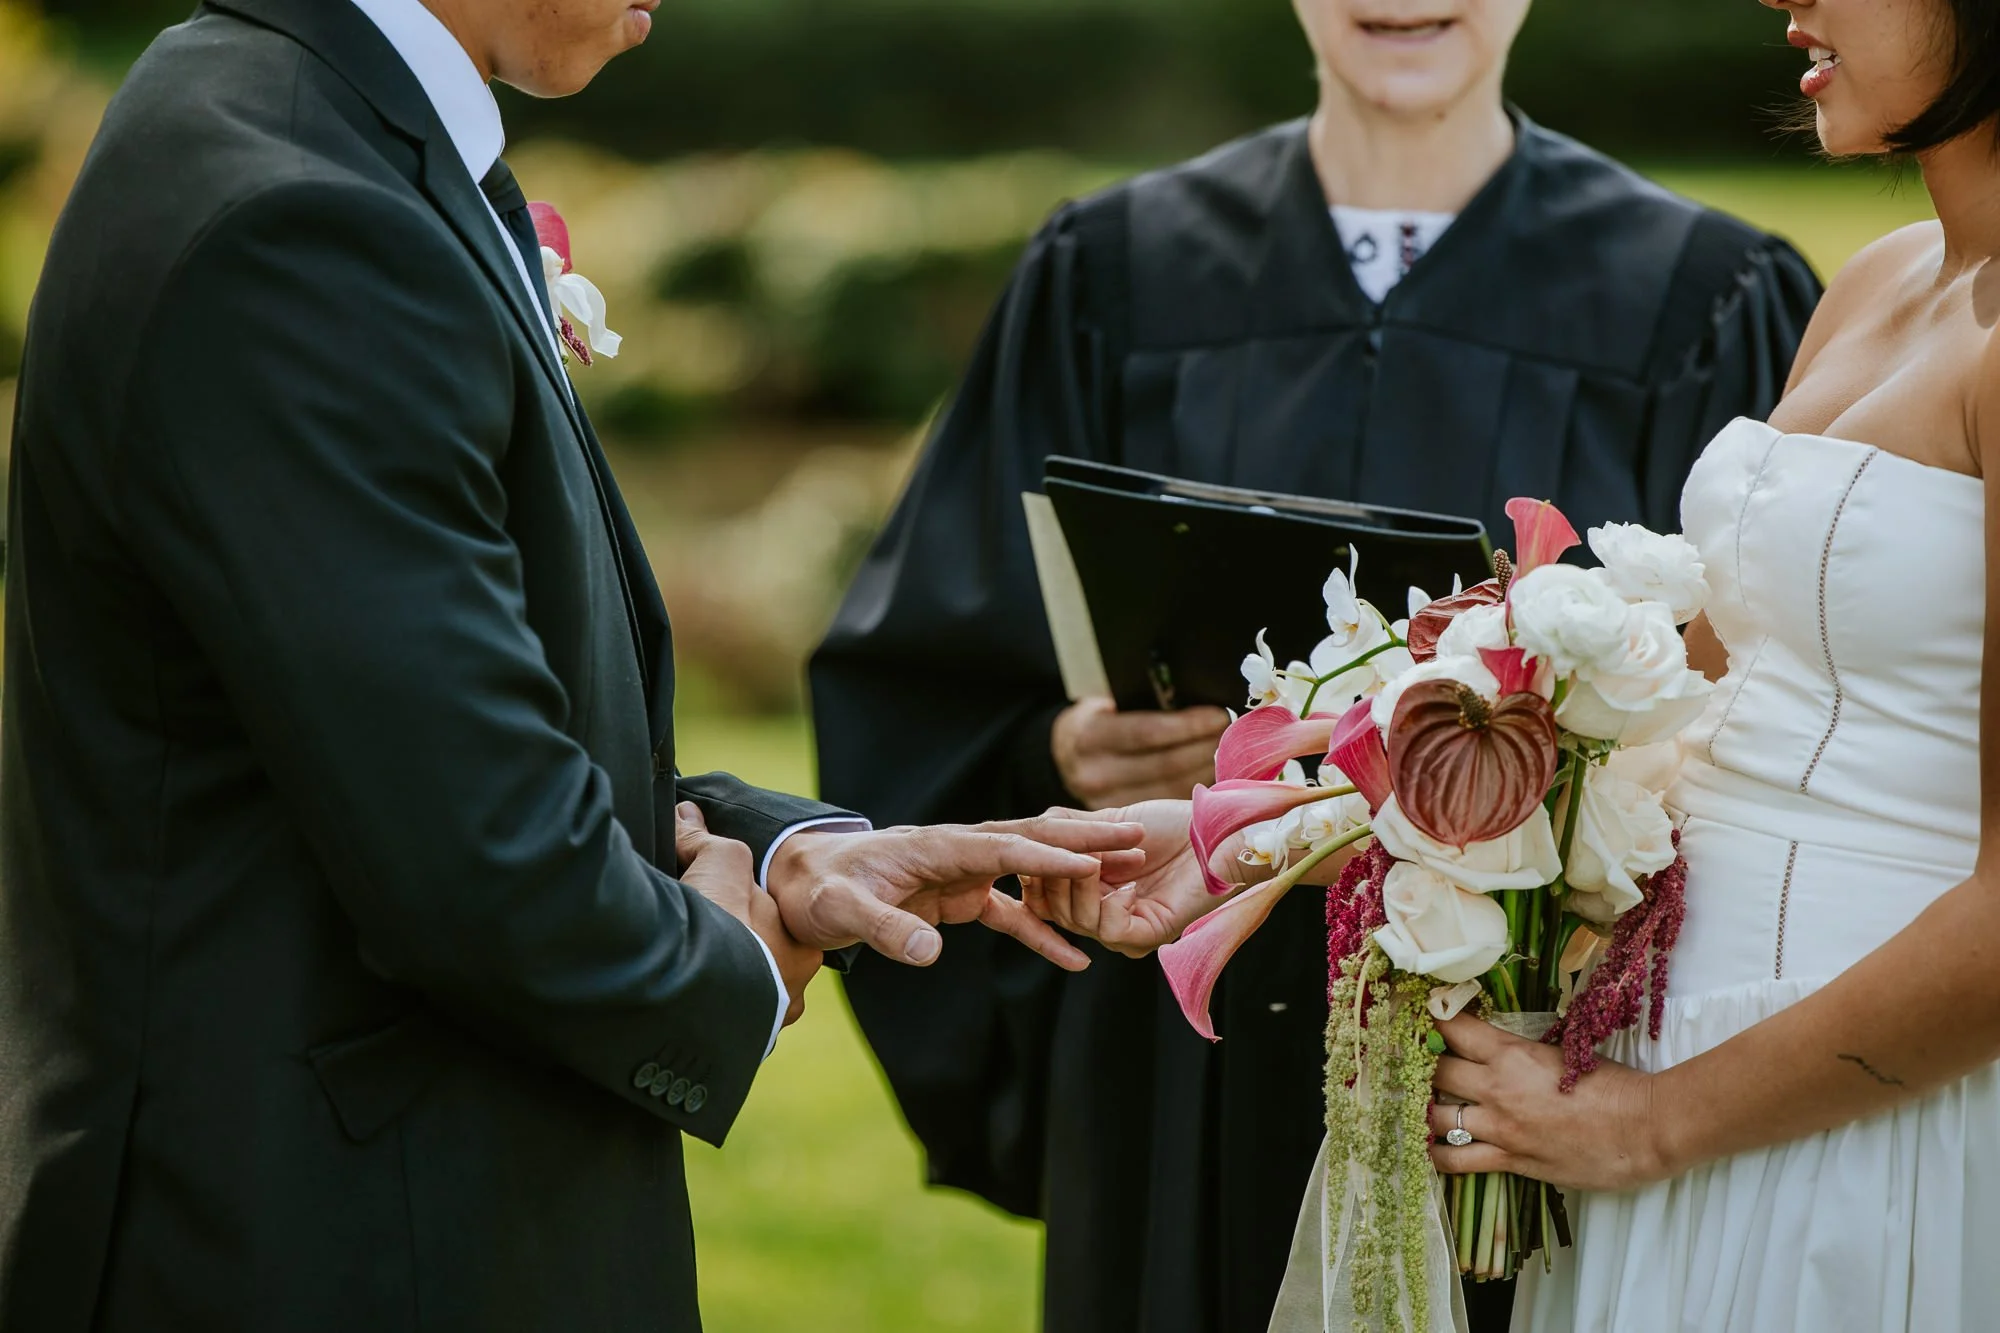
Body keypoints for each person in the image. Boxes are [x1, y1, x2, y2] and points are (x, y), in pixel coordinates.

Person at [0, 1, 1145, 1328]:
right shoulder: (294, 216)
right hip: (324, 1243)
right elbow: (476, 853)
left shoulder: (301, 110)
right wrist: (730, 964)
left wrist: (788, 860)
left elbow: (415, 721)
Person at [809, 1, 1822, 1330]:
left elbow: (1782, 711)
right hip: (1178, 1057)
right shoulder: (1113, 273)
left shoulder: (1702, 298)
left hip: (1514, 1067)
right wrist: (1060, 745)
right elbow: (923, 669)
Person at [1417, 0, 2000, 1327]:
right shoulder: (1880, 278)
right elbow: (1699, 688)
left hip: (1863, 1109)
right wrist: (1340, 795)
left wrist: (1657, 1127)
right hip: (1665, 1050)